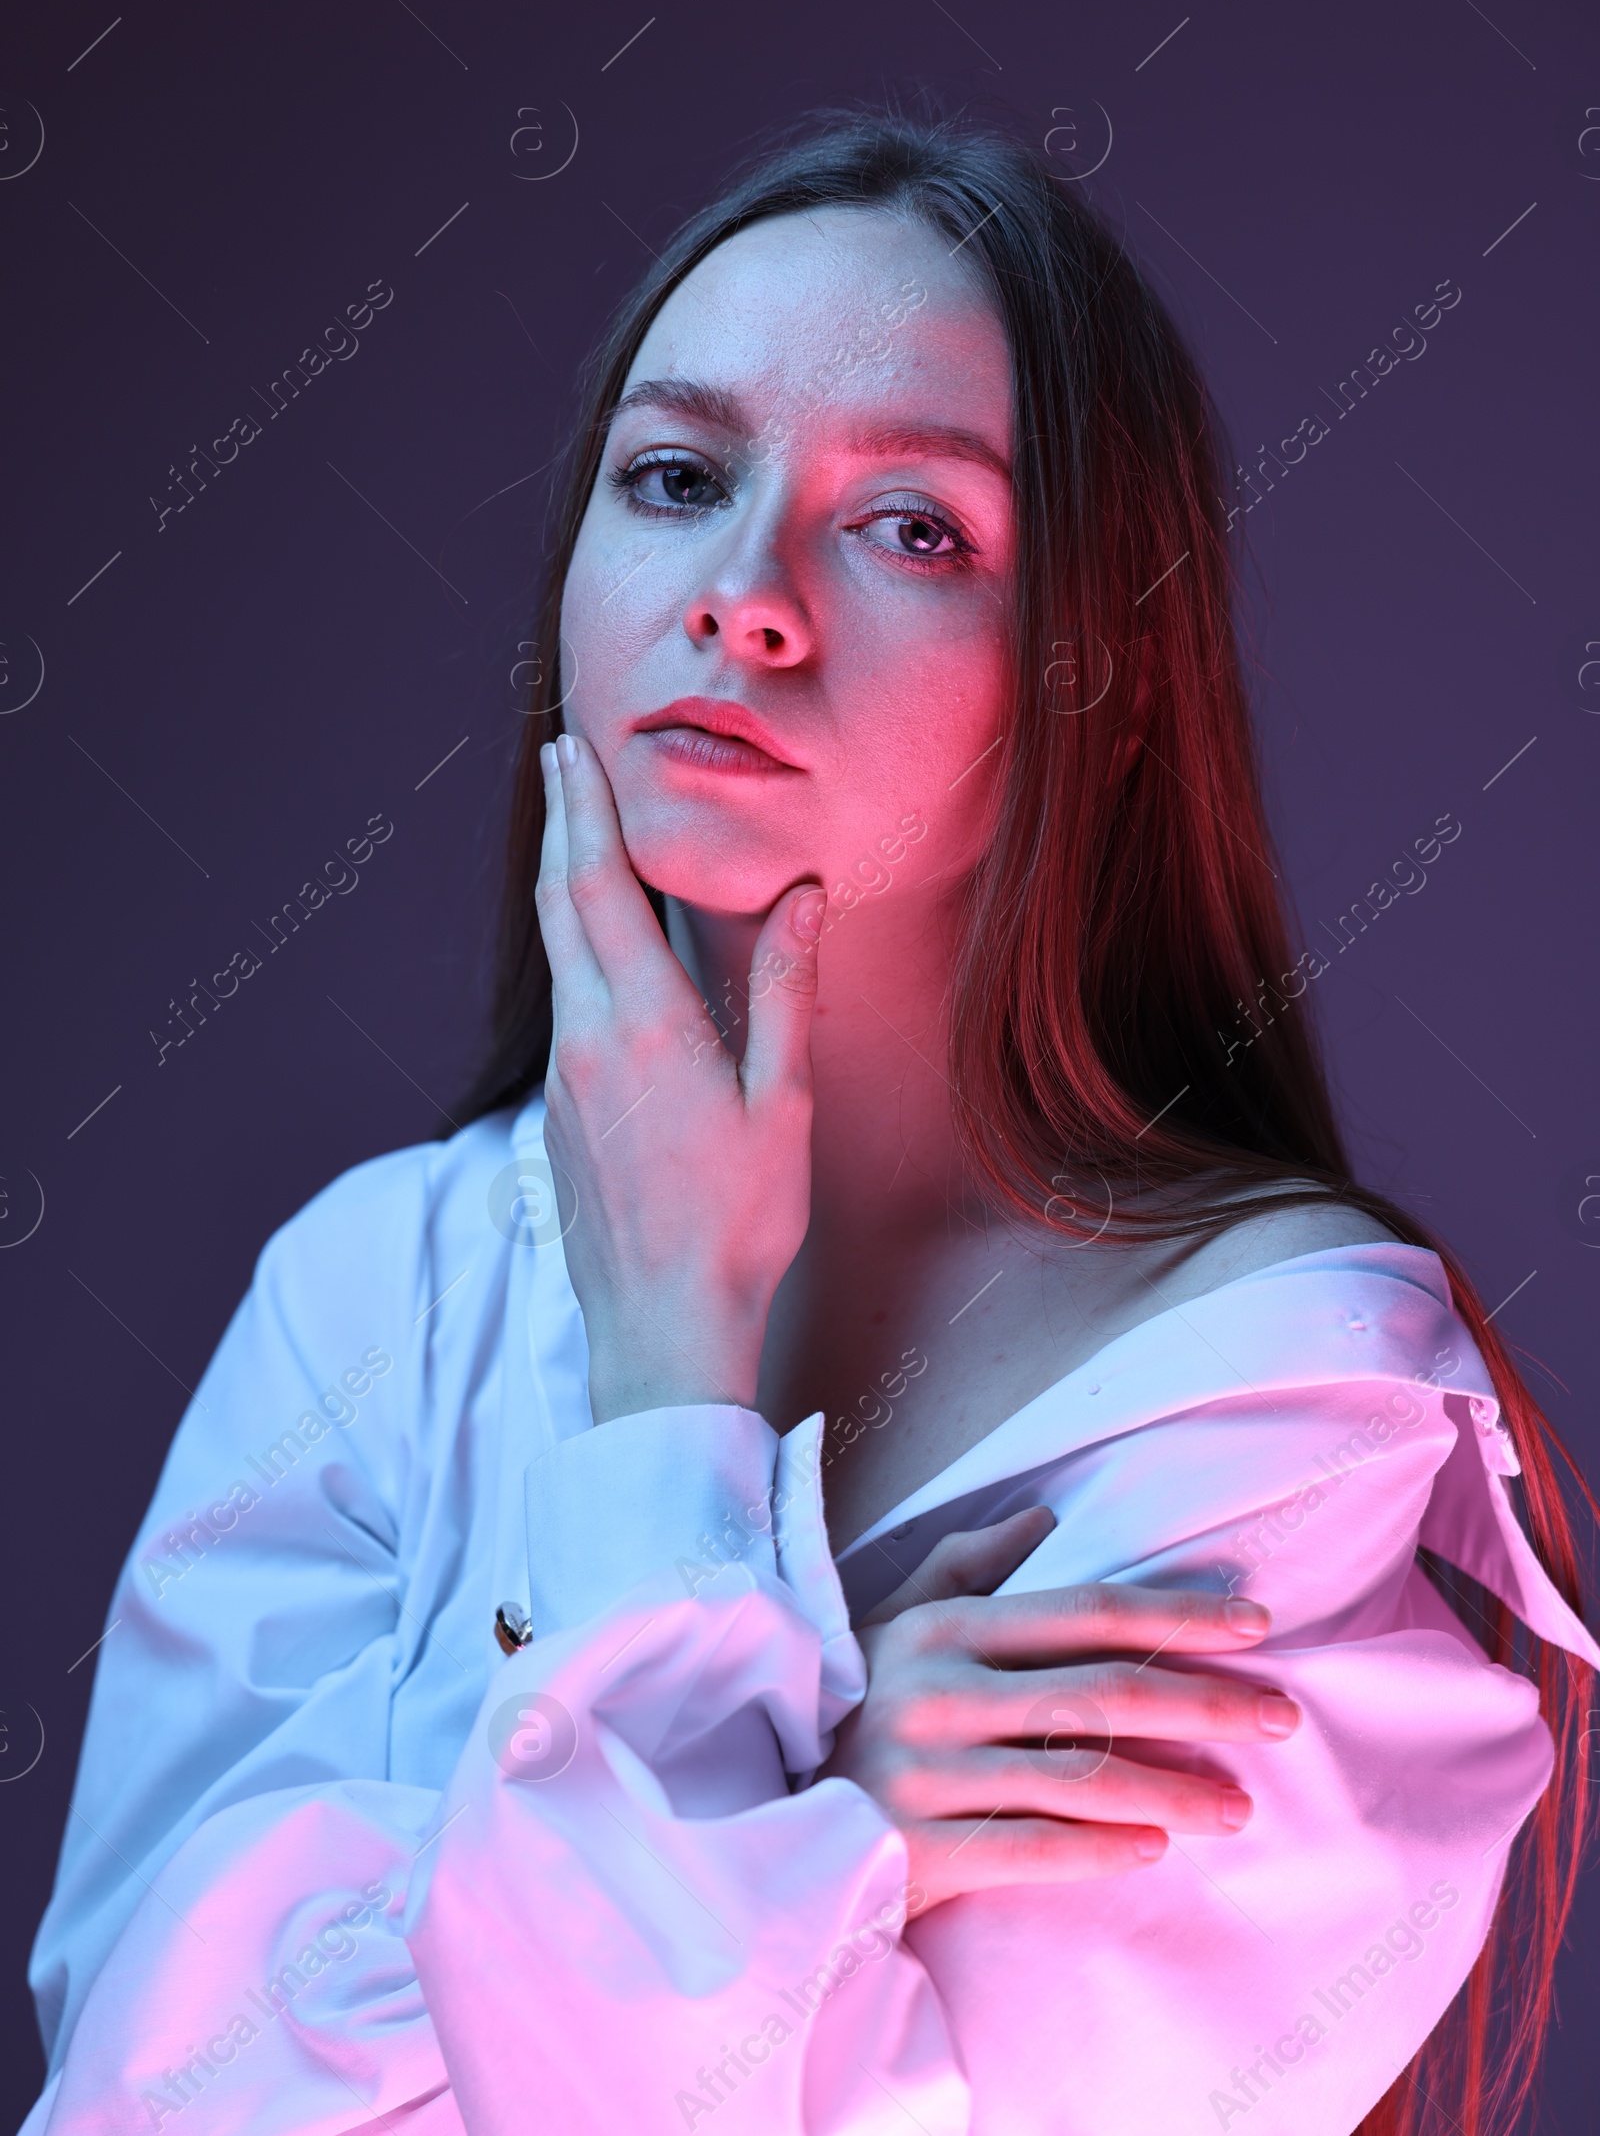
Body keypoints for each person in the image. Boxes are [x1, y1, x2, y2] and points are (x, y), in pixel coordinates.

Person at [23, 114, 1596, 2136]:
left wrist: (662, 1418)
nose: (741, 598)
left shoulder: (1277, 1432)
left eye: (912, 527)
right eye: (674, 479)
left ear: (1089, 677)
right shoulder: (370, 1295)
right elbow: (138, 2099)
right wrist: (830, 1818)